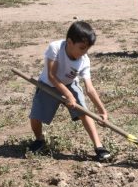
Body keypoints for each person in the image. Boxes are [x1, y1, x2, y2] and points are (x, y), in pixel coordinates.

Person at [29, 21, 110, 162]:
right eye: (82, 48)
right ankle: (39, 140)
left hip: (70, 84)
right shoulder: (55, 48)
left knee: (84, 113)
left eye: (87, 49)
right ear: (69, 42)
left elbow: (90, 89)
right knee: (36, 117)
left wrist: (102, 110)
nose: (84, 52)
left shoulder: (84, 60)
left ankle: (99, 147)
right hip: (48, 85)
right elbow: (52, 76)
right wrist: (68, 95)